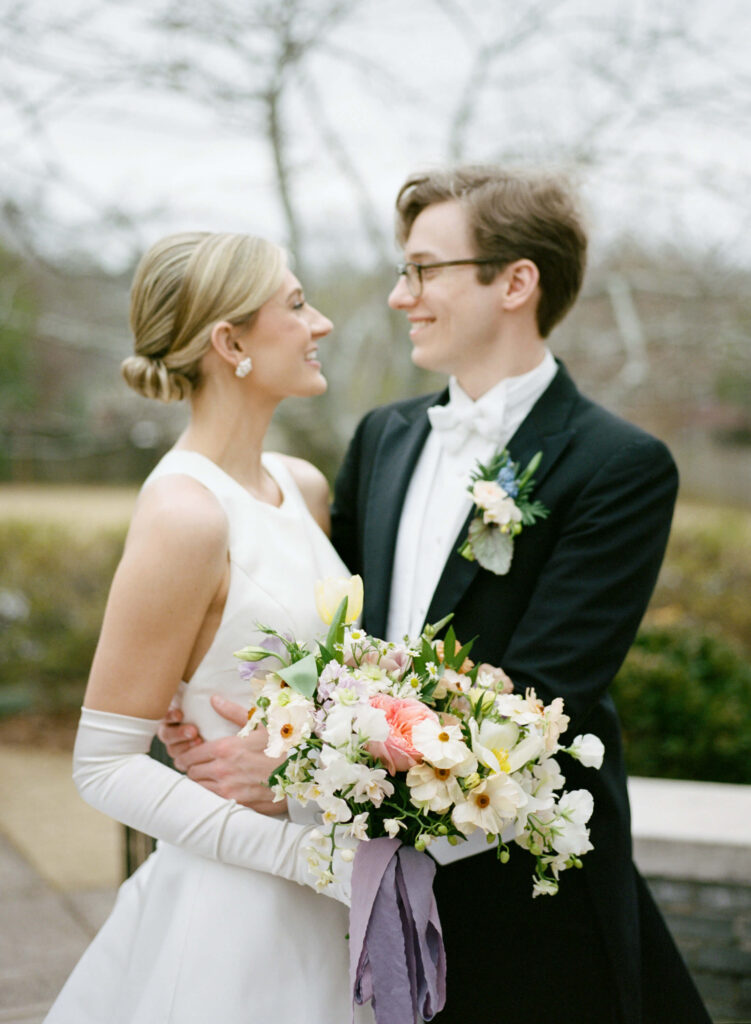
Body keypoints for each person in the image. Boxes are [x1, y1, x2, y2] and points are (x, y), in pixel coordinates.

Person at [163, 168, 712, 1024]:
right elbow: (332, 637)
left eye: (423, 270)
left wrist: (304, 773)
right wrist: (240, 715)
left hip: (527, 889)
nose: (397, 296)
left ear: (514, 282)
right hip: (370, 879)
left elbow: (539, 696)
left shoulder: (619, 465)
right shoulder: (383, 437)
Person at [44, 231, 370, 1024]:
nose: (319, 323)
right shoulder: (184, 514)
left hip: (339, 897)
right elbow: (104, 764)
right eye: (295, 305)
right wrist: (304, 855)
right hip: (240, 907)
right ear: (231, 343)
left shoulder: (302, 486)